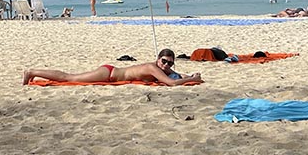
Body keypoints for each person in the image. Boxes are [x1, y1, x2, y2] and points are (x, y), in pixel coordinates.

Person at [23, 49, 203, 86]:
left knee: (70, 77)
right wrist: (192, 80)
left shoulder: (164, 69)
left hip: (111, 73)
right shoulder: (153, 68)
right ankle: (31, 71)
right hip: (109, 73)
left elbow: (176, 76)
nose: (167, 65)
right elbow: (172, 84)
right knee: (70, 77)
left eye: (170, 63)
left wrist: (188, 75)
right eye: (164, 61)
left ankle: (33, 72)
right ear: (158, 60)